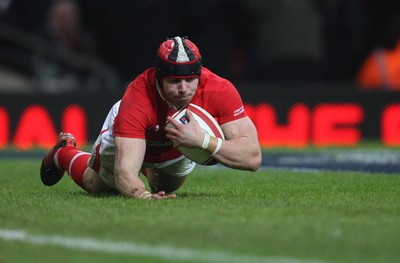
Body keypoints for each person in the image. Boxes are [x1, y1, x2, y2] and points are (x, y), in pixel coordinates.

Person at [40, 36, 262, 199]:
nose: (184, 89)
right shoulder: (137, 99)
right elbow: (124, 173)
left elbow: (252, 158)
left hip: (182, 142)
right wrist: (144, 198)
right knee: (97, 185)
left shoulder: (220, 90)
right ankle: (64, 153)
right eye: (174, 82)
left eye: (190, 80)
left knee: (166, 188)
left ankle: (147, 166)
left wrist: (202, 141)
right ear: (159, 77)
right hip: (135, 138)